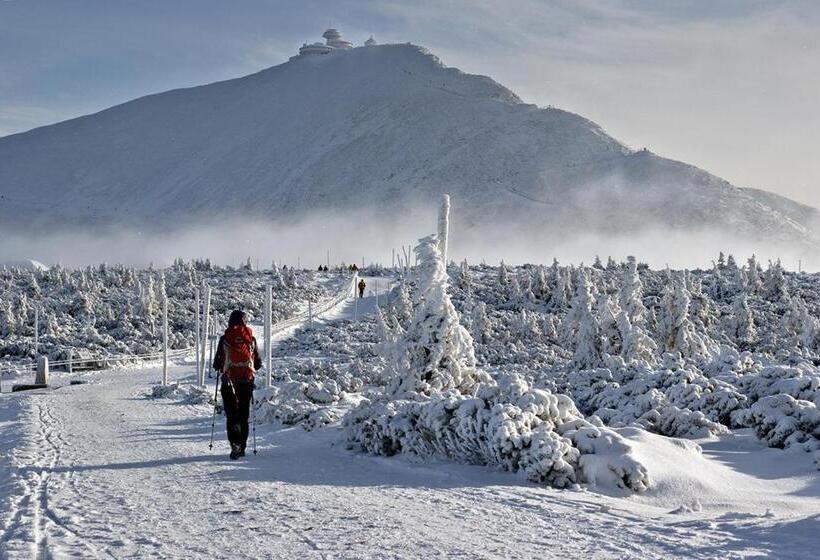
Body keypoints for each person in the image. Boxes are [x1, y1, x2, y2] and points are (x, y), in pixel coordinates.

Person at [213, 310, 262, 460]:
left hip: (228, 382)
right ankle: (242, 448)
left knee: (232, 415)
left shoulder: (225, 339)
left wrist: (222, 366)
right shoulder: (251, 339)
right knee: (243, 415)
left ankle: (235, 445)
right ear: (244, 322)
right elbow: (258, 364)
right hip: (246, 382)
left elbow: (216, 363)